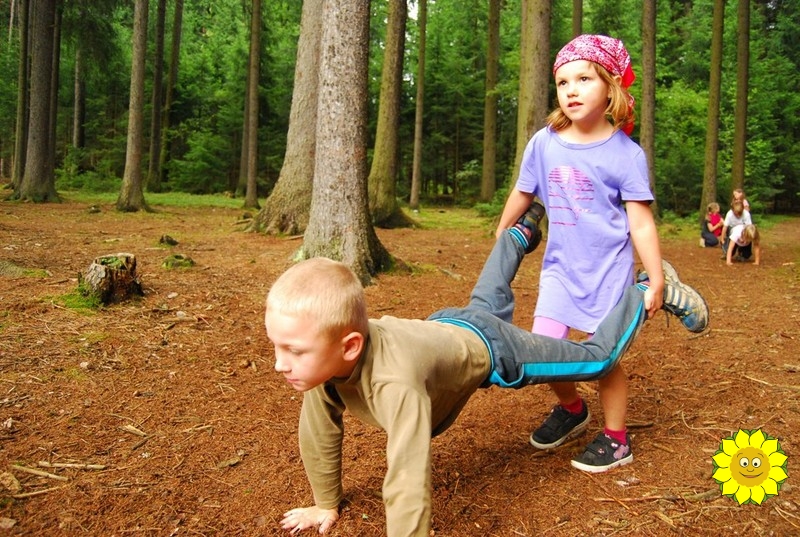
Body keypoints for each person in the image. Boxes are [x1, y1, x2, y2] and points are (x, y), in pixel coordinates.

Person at [267, 208, 709, 537]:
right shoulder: (323, 368)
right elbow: (318, 432)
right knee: (486, 298)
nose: (280, 363)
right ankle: (520, 233)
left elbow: (407, 477)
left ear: (350, 346)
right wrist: (325, 503)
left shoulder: (393, 384)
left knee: (596, 359)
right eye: (277, 346)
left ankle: (644, 290)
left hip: (494, 350)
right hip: (449, 325)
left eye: (294, 350)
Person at [494, 34, 663, 473]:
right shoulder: (545, 142)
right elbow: (524, 190)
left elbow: (641, 222)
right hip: (560, 270)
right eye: (563, 81)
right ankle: (572, 409)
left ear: (610, 86)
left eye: (584, 79)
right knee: (546, 351)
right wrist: (502, 230)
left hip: (608, 272)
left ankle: (616, 439)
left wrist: (656, 277)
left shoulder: (626, 154)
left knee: (602, 360)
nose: (571, 90)